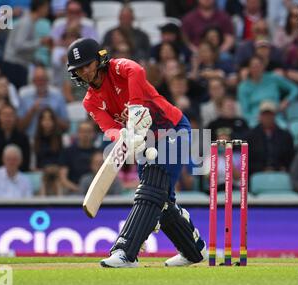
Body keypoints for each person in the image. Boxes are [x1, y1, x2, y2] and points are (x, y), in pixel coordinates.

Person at [67, 38, 207, 268]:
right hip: (145, 143)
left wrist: (135, 107)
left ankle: (125, 252)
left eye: (87, 65)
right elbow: (109, 129)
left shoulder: (118, 68)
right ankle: (193, 251)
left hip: (172, 129)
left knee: (150, 191)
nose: (84, 72)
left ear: (99, 60)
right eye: (78, 69)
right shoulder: (90, 102)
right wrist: (125, 138)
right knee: (160, 200)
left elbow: (137, 70)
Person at [246, 101, 295, 174]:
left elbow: (291, 158)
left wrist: (282, 168)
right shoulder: (250, 136)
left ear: (274, 116)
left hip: (280, 173)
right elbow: (246, 160)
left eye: (270, 115)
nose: (267, 118)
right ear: (260, 116)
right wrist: (262, 169)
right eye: (265, 115)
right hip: (256, 173)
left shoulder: (285, 136)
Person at [0, 104, 30, 171]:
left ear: (15, 117)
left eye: (11, 115)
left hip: (16, 174)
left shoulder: (22, 137)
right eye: (5, 115)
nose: (8, 118)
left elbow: (25, 160)